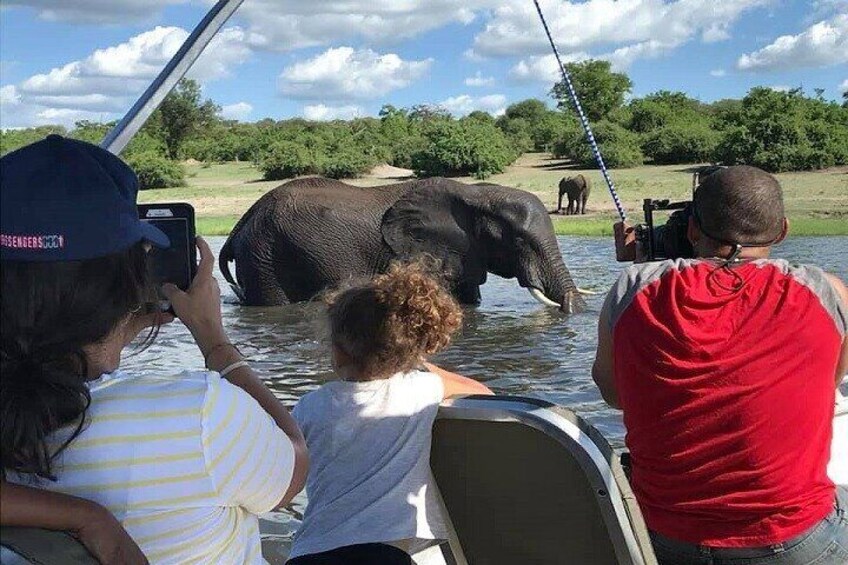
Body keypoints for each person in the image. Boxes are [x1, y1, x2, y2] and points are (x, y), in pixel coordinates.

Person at [0, 135, 308, 564]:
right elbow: (293, 468)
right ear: (127, 282)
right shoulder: (199, 413)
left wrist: (122, 325)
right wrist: (215, 342)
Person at [592, 165, 848, 565]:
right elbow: (829, 384)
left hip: (663, 538)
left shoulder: (632, 287)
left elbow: (614, 395)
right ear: (782, 231)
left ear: (693, 230)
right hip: (793, 541)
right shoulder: (827, 292)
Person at [286, 262, 493, 565]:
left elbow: (285, 474)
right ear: (409, 349)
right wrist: (416, 362)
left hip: (311, 553)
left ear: (338, 351)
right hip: (385, 555)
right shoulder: (422, 388)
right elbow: (481, 392)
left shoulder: (310, 404)